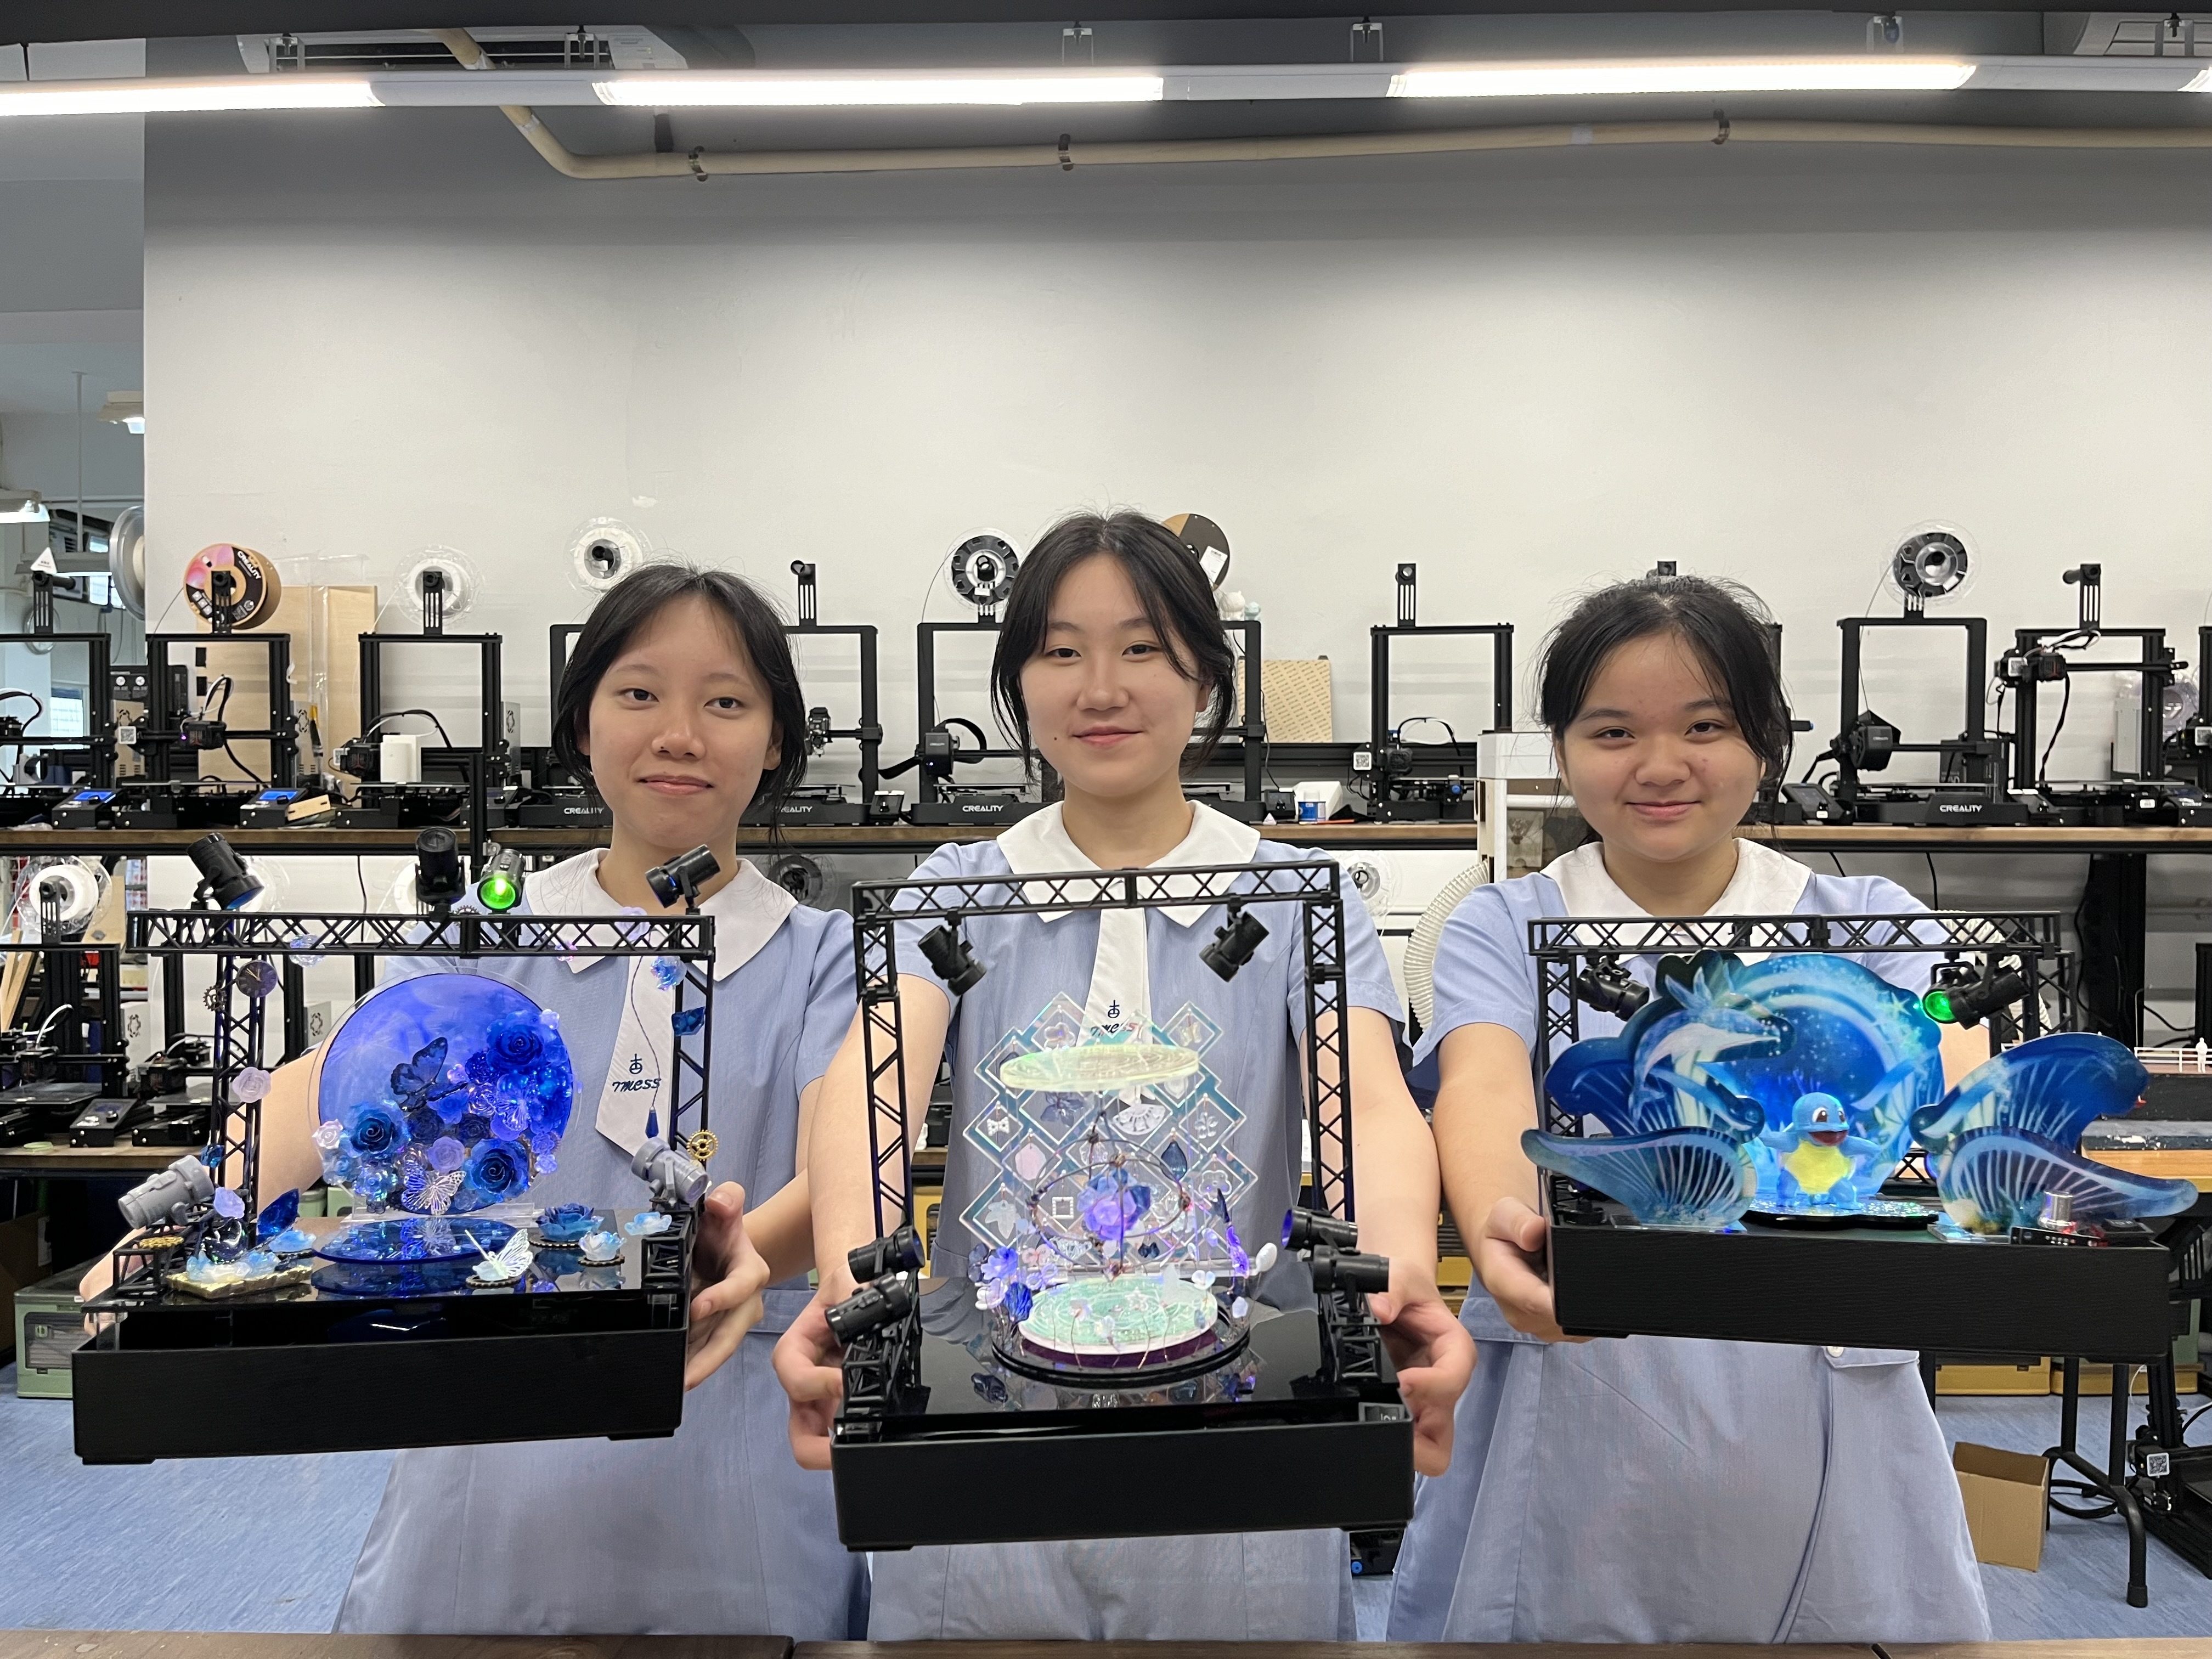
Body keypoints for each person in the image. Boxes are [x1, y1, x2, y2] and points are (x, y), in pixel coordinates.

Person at [86, 565, 867, 1640]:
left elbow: (847, 1163)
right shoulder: (499, 939)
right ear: (582, 725)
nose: (680, 733)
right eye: (638, 694)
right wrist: (185, 1213)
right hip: (488, 1466)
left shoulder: (822, 957)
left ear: (777, 739)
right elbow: (334, 1087)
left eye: (726, 702)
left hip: (725, 1445)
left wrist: (711, 1271)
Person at [774, 510, 1473, 1641]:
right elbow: (870, 1092)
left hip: (1235, 1426)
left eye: (1142, 648)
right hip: (985, 1422)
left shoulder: (1302, 896)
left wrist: (1393, 1275)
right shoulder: (958, 889)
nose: (1101, 686)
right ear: (1019, 684)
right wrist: (854, 1291)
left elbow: (1372, 1108)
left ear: (1205, 678)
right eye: (1060, 651)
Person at [1385, 571, 1992, 1645]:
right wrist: (1503, 1241)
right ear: (1564, 751)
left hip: (1817, 1392)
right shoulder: (1504, 922)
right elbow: (1481, 1084)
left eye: (1704, 726)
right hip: (1572, 1371)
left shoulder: (1863, 921)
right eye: (1613, 730)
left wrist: (1949, 1064)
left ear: (1764, 740)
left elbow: (1942, 1058)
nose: (1661, 766)